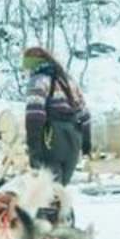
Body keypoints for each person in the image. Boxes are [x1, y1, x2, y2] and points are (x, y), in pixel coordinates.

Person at [22, 46, 90, 186]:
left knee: (48, 191)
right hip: (73, 139)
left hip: (51, 139)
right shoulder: (68, 80)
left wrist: (34, 148)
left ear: (32, 65)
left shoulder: (38, 81)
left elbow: (34, 116)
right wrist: (86, 142)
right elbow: (85, 114)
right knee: (60, 190)